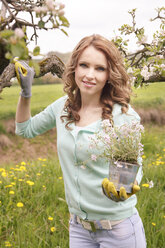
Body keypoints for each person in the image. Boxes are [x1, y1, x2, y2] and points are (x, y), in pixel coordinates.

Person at [15, 34, 146, 248]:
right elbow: (25, 129)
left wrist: (126, 187)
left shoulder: (123, 114)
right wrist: (26, 92)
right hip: (79, 230)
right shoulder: (62, 108)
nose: (89, 75)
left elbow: (133, 165)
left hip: (119, 229)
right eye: (84, 65)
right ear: (74, 67)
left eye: (99, 68)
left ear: (109, 74)